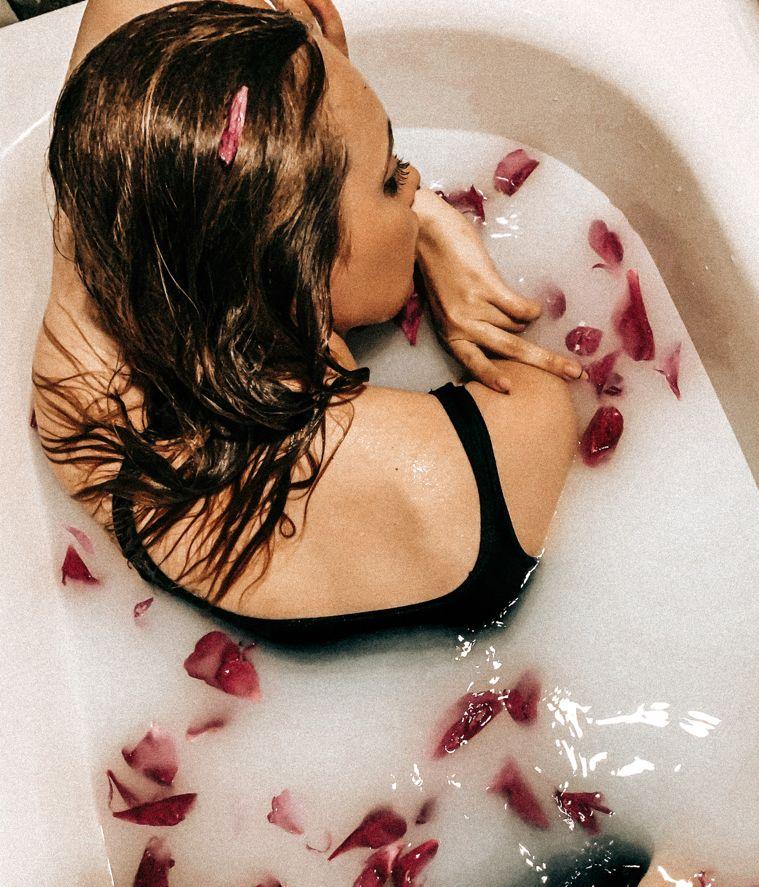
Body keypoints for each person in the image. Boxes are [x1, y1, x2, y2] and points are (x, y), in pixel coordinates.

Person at [31, 0, 582, 644]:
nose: (416, 185)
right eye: (392, 177)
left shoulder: (82, 382)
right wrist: (438, 237)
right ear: (298, 276)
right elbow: (544, 397)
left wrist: (307, 116)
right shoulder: (458, 472)